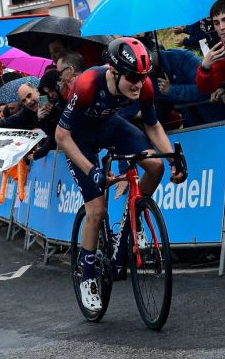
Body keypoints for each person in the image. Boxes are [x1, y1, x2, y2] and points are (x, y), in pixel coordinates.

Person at [55, 38, 187, 311]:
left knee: (156, 166)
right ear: (114, 71)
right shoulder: (88, 84)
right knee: (97, 210)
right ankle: (88, 275)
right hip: (79, 141)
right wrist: (91, 170)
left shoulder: (144, 86)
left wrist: (172, 158)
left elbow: (153, 125)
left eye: (142, 77)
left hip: (110, 127)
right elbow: (61, 136)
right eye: (132, 78)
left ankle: (132, 225)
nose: (139, 84)